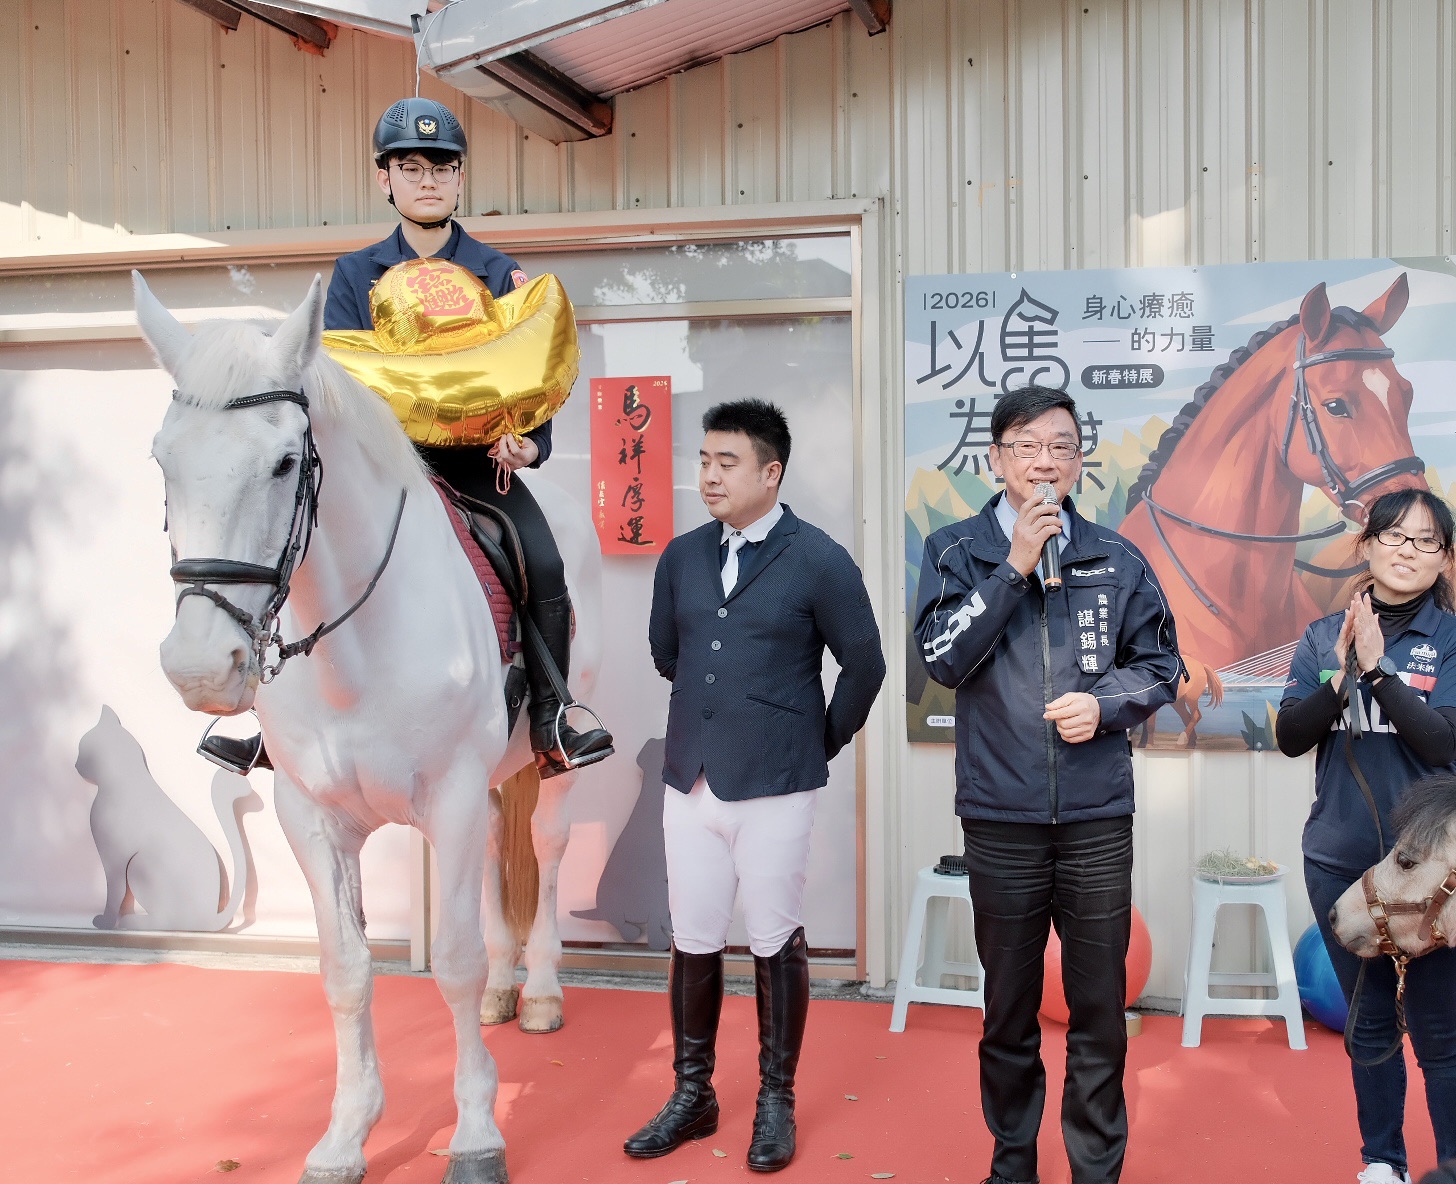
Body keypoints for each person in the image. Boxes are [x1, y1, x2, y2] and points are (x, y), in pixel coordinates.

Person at [199, 98, 611, 779]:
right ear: (384, 178)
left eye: (442, 168)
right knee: (288, 545)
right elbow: (330, 377)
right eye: (411, 167)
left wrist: (529, 442)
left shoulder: (498, 271)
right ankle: (270, 724)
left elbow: (530, 369)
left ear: (460, 178)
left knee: (542, 559)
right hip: (379, 469)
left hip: (473, 464)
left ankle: (553, 715)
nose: (428, 181)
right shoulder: (354, 274)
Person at [914, 385, 1181, 1184]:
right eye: (1027, 446)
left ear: (1078, 461)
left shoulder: (1116, 557)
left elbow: (1161, 665)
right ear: (997, 459)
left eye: (1061, 446)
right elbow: (941, 660)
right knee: (1008, 1011)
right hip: (1000, 817)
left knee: (1099, 1010)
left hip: (1096, 819)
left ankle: (1096, 1171)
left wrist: (1104, 706)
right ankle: (1012, 1166)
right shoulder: (956, 552)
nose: (1045, 462)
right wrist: (1014, 568)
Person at [629, 399, 885, 1172]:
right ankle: (693, 1093)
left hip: (778, 784)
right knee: (693, 936)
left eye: (727, 462)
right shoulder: (682, 556)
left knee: (774, 936)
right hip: (689, 779)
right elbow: (666, 652)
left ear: (771, 473)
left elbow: (865, 665)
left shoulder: (819, 559)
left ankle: (777, 1098)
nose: (709, 475)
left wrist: (817, 739)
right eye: (704, 460)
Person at [1275, 487, 1456, 1184]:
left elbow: (1440, 743)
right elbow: (1290, 736)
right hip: (1337, 861)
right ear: (1365, 546)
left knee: (1439, 1032)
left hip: (1429, 872)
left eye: (1425, 541)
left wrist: (1378, 669)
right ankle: (1383, 1164)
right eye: (1393, 536)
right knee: (1368, 1021)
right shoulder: (1321, 637)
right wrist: (1342, 672)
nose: (1407, 552)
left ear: (1445, 559)